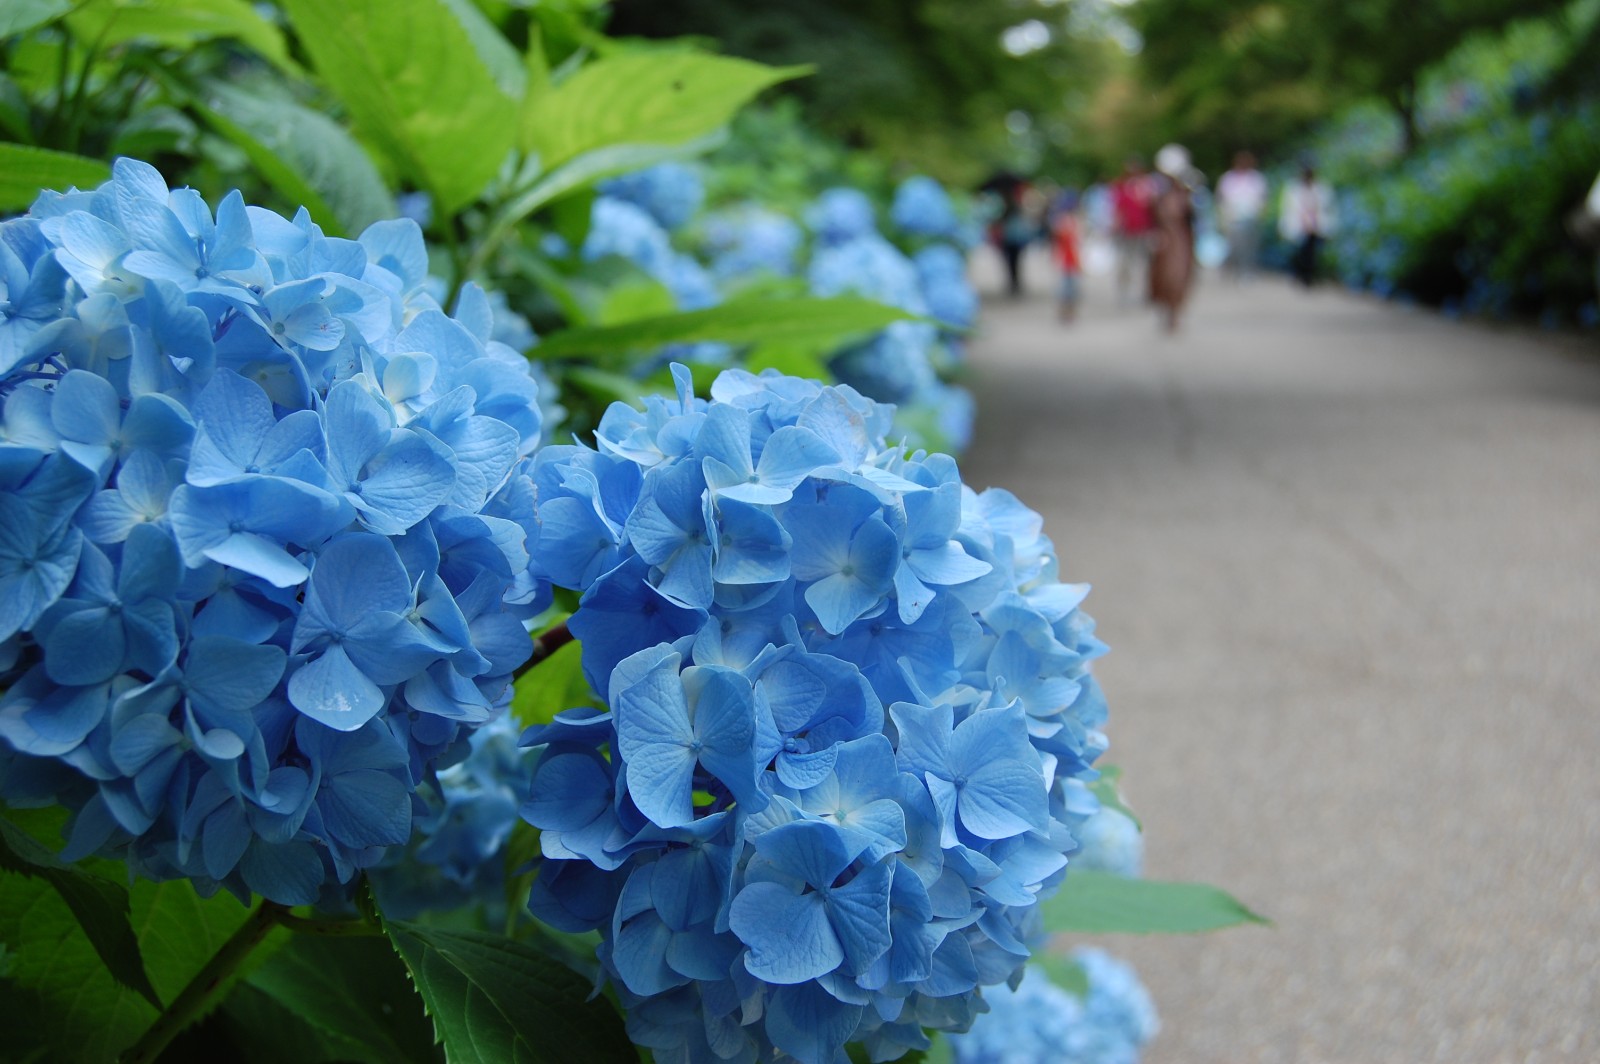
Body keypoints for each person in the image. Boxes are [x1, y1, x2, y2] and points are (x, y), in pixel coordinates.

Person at [1148, 144, 1197, 333]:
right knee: (1163, 278)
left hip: (1181, 243)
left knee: (1179, 277)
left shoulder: (1186, 195)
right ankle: (1166, 310)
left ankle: (1175, 313)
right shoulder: (1159, 196)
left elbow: (1192, 219)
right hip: (1164, 242)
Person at [1279, 163, 1338, 287]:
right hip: (1299, 225)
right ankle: (1299, 275)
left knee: (1311, 253)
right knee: (1299, 252)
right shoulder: (1293, 188)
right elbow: (1289, 208)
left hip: (1315, 226)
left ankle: (1308, 277)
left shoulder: (1322, 188)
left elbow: (1327, 207)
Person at [1109, 156, 1154, 304]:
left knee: (1143, 264)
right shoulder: (1122, 186)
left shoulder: (1147, 186)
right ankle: (1124, 293)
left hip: (1143, 231)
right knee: (1125, 263)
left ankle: (1144, 292)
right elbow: (1118, 209)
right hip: (1127, 231)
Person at [1216, 150, 1268, 279]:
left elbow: (1262, 199)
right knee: (1234, 246)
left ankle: (1247, 271)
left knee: (1249, 247)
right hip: (1233, 218)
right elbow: (1221, 199)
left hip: (1251, 218)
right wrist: (1223, 217)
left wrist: (1260, 214)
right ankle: (1231, 269)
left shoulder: (1256, 178)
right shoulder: (1228, 178)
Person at [1050, 189, 1084, 323]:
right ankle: (1064, 311)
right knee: (1064, 288)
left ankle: (1070, 311)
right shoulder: (1061, 223)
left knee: (1072, 288)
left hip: (1073, 259)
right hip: (1065, 260)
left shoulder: (1075, 222)